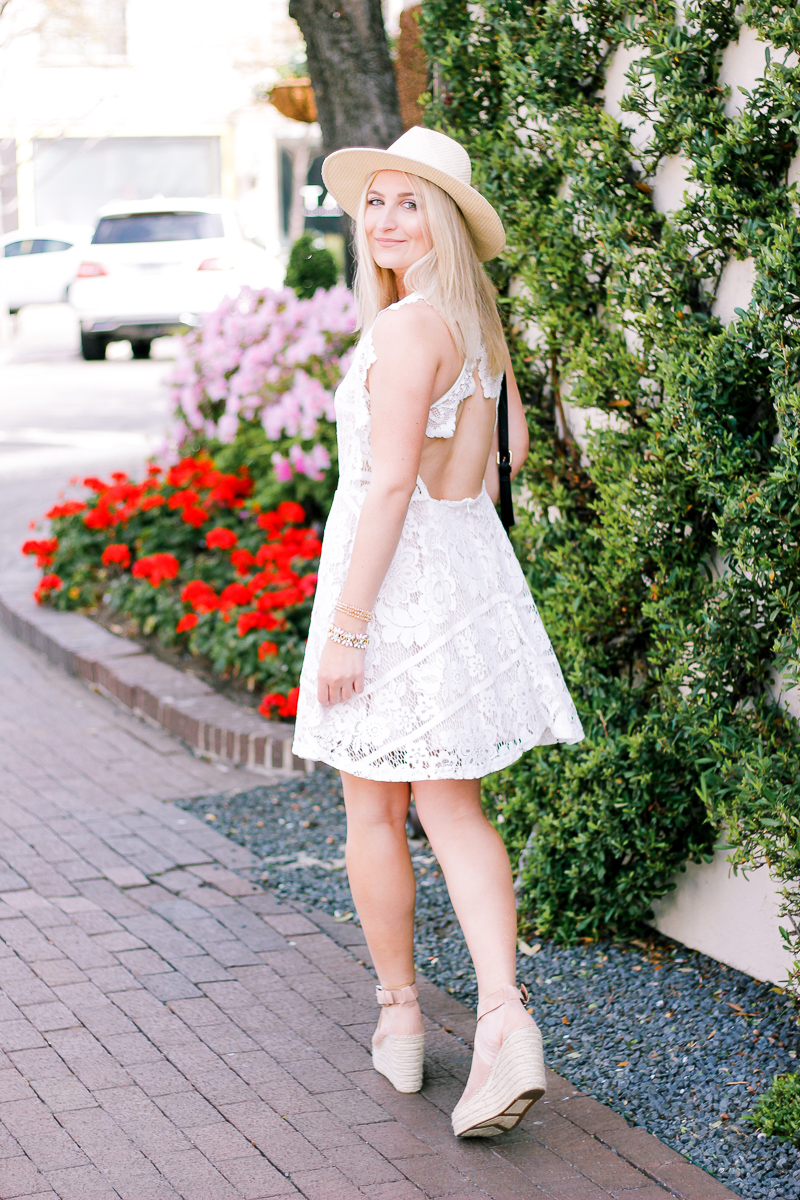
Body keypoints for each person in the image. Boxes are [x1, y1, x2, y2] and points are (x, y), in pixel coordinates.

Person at [292, 127, 584, 1138]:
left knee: (374, 812)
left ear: (444, 222)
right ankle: (501, 1019)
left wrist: (349, 629)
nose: (382, 219)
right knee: (450, 808)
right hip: (452, 583)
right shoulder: (473, 330)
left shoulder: (408, 328)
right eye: (372, 202)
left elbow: (384, 491)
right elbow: (495, 468)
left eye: (407, 202)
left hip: (389, 590)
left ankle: (404, 1018)